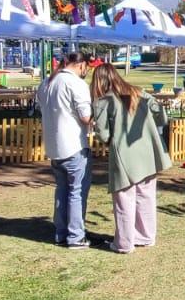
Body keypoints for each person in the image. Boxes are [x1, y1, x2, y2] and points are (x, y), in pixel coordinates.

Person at [90, 64, 171, 254]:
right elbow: (162, 114)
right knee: (146, 196)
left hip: (124, 154)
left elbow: (102, 134)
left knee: (124, 198)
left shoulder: (103, 101)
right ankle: (145, 236)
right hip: (148, 151)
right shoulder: (139, 92)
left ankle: (124, 243)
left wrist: (110, 139)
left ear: (99, 81)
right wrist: (153, 128)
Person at [36, 51, 94, 249]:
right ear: (80, 65)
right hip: (74, 145)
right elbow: (86, 116)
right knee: (76, 192)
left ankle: (61, 233)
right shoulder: (76, 84)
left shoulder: (46, 82)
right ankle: (76, 236)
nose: (87, 71)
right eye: (87, 67)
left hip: (54, 146)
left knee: (62, 190)